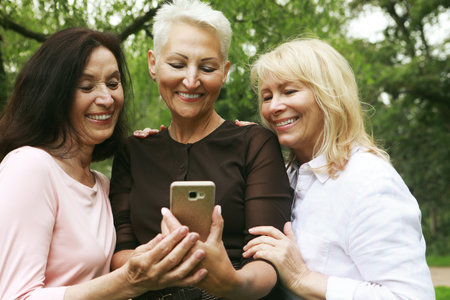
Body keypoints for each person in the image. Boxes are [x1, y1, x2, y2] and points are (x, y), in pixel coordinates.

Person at [0, 27, 208, 300]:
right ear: (53, 94)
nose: (107, 99)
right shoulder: (30, 167)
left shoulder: (102, 184)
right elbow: (14, 296)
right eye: (86, 87)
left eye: (113, 83)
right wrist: (130, 279)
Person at [109, 0, 293, 299]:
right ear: (153, 64)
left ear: (224, 71)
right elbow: (120, 250)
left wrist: (231, 282)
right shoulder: (133, 151)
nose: (191, 80)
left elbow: (266, 258)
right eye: (177, 64)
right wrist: (153, 263)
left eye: (207, 67)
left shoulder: (255, 144)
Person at [242, 38, 435, 299]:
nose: (273, 107)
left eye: (289, 92)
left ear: (328, 95)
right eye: (267, 97)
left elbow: (409, 296)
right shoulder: (287, 177)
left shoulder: (369, 181)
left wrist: (303, 278)